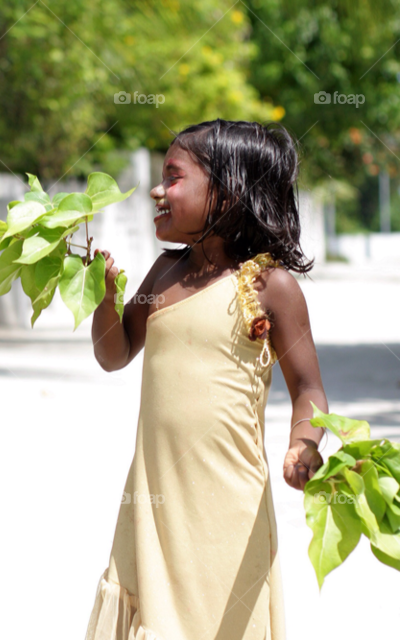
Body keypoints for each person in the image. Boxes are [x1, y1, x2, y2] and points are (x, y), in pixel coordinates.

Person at [85, 119, 328, 640]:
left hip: (227, 508)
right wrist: (103, 300)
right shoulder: (162, 274)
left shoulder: (269, 285)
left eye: (173, 177)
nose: (157, 189)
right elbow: (115, 353)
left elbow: (309, 389)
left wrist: (303, 446)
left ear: (225, 191)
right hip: (154, 495)